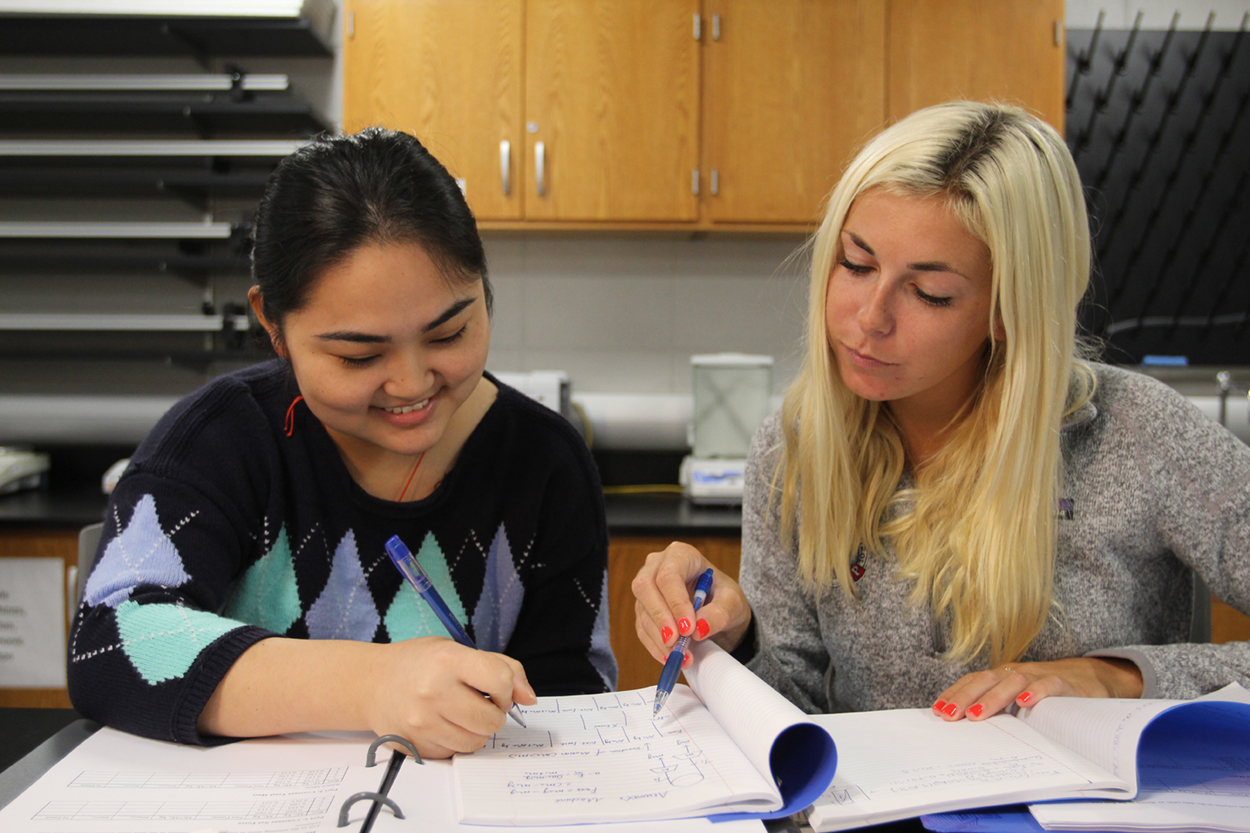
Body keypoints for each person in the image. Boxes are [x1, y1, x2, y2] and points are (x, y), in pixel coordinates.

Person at [632, 101, 1250, 722]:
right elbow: (793, 718)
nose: (870, 317)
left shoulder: (1143, 433)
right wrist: (736, 642)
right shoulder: (793, 448)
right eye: (856, 263)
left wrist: (1120, 679)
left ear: (1011, 309)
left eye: (930, 293)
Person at [68, 128, 616, 758]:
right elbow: (109, 644)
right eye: (358, 355)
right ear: (273, 324)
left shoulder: (543, 463)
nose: (411, 383)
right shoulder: (223, 441)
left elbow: (575, 698)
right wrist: (370, 684)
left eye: (449, 334)